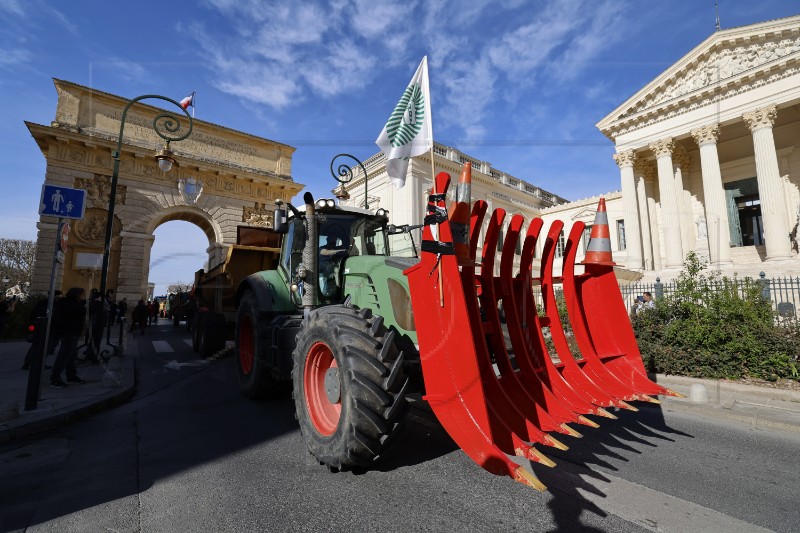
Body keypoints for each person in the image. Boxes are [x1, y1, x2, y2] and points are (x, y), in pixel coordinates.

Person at [49, 287, 87, 388]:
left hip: (71, 333)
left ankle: (71, 375)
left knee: (71, 356)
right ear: (77, 295)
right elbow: (80, 311)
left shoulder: (67, 303)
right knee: (64, 356)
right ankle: (55, 379)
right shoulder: (70, 305)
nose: (84, 295)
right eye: (83, 294)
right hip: (69, 334)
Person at [22, 291, 61, 370]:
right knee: (46, 347)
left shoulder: (42, 302)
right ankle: (37, 363)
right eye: (58, 295)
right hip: (49, 328)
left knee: (36, 346)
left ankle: (29, 363)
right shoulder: (54, 304)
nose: (59, 297)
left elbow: (33, 313)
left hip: (40, 327)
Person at [319, 225, 350, 299]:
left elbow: (348, 248)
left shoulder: (339, 249)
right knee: (322, 278)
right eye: (331, 237)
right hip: (323, 273)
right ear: (327, 239)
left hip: (336, 272)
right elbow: (326, 252)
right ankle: (324, 296)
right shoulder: (322, 248)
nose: (333, 239)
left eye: (335, 238)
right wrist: (341, 251)